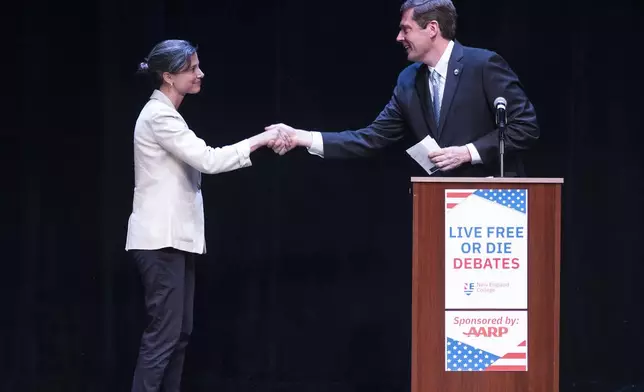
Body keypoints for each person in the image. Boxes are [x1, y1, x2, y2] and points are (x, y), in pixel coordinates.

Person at [124, 39, 286, 392]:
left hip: (175, 238)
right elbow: (209, 160)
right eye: (192, 68)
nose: (200, 74)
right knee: (163, 337)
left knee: (179, 334)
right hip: (159, 239)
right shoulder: (159, 116)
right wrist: (261, 140)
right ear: (168, 76)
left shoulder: (168, 114)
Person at [266, 0, 539, 177]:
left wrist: (467, 152)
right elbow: (370, 138)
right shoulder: (409, 81)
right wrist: (302, 137)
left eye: (405, 29)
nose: (399, 37)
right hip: (438, 209)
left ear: (432, 28)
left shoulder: (483, 65)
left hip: (494, 207)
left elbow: (525, 127)